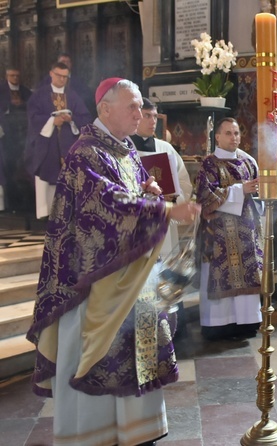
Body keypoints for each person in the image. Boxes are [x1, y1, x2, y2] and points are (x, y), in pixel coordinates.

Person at [25, 77, 201, 446]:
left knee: (139, 345)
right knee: (101, 355)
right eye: (133, 107)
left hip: (131, 278)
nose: (141, 114)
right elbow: (106, 206)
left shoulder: (123, 149)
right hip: (96, 280)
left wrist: (150, 193)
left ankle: (138, 430)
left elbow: (132, 196)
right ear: (106, 108)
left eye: (141, 107)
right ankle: (96, 434)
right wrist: (166, 207)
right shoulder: (87, 152)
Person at [193, 117, 263, 341]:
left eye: (237, 133)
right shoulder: (209, 163)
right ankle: (218, 325)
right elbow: (205, 195)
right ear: (218, 137)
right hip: (219, 233)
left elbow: (257, 191)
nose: (234, 137)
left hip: (245, 230)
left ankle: (247, 323)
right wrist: (239, 190)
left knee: (248, 273)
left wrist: (257, 193)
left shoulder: (248, 162)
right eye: (229, 133)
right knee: (219, 273)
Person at [25, 61, 92, 218]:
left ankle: (65, 214)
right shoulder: (39, 95)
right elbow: (32, 117)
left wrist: (71, 119)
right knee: (46, 179)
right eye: (59, 76)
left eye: (65, 77)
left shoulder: (73, 95)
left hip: (68, 143)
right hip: (47, 144)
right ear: (51, 74)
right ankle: (45, 214)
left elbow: (85, 117)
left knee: (68, 180)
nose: (62, 79)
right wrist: (52, 121)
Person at [131, 97, 193, 259]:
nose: (153, 121)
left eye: (155, 116)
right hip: (137, 220)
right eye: (147, 116)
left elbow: (184, 182)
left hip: (163, 217)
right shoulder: (125, 147)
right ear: (136, 115)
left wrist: (173, 198)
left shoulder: (166, 148)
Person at [0, 67, 33, 212]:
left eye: (17, 76)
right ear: (6, 76)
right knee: (8, 166)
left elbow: (32, 106)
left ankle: (23, 204)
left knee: (23, 165)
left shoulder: (25, 91)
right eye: (12, 76)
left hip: (23, 134)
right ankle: (11, 203)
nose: (15, 79)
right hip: (7, 135)